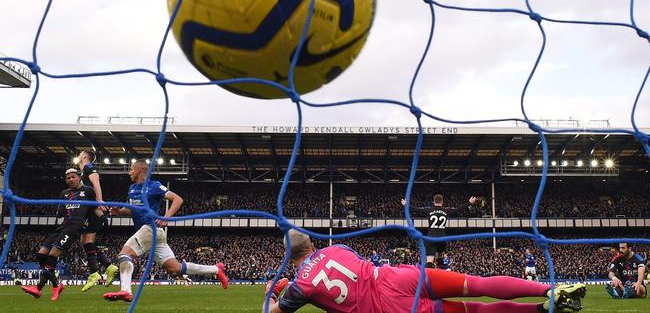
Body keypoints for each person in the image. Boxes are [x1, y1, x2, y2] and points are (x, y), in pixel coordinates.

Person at [262, 230, 586, 313]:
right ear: (312, 242)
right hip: (398, 276)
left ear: (287, 255)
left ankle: (542, 310)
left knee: (475, 310)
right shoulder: (336, 248)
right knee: (479, 282)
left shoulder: (301, 286)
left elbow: (275, 311)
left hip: (391, 308)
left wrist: (272, 294)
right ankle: (548, 290)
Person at [103, 160, 229, 302]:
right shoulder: (131, 188)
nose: (129, 172)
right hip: (154, 234)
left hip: (150, 229)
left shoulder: (154, 186)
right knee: (175, 269)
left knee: (124, 255)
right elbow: (132, 209)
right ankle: (216, 269)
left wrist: (166, 217)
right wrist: (119, 211)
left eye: (131, 169)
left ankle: (125, 290)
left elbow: (177, 199)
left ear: (139, 170)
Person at [21, 168, 97, 300]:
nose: (71, 180)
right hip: (63, 226)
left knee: (52, 255)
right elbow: (61, 212)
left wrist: (94, 223)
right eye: (68, 178)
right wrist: (60, 211)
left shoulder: (88, 191)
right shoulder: (65, 193)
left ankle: (38, 288)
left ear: (79, 177)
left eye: (73, 177)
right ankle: (57, 285)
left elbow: (94, 209)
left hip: (75, 226)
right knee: (41, 254)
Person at [76, 150, 119, 292]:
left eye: (79, 154)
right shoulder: (82, 172)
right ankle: (108, 266)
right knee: (85, 242)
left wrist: (99, 200)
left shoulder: (89, 167)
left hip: (93, 209)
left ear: (83, 157)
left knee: (87, 241)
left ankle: (95, 273)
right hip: (88, 209)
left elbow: (95, 180)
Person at [401, 194, 476, 268]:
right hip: (442, 238)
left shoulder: (429, 210)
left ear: (433, 202)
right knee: (440, 257)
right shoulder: (446, 210)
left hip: (431, 238)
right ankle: (440, 273)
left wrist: (406, 205)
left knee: (429, 261)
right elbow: (458, 209)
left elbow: (417, 209)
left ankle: (429, 278)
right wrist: (469, 203)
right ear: (442, 202)